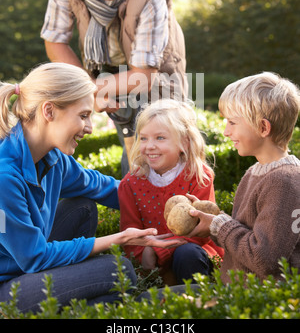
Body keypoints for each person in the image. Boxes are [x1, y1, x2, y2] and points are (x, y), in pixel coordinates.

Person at [0, 62, 185, 313]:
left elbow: (109, 189)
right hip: (7, 288)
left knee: (83, 207)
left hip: (27, 267)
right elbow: (34, 257)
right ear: (49, 111)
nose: (89, 127)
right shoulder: (4, 177)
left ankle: (92, 302)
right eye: (84, 115)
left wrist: (177, 204)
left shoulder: (55, 160)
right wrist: (117, 239)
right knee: (115, 269)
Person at [40, 0, 187, 176]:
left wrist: (91, 92)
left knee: (162, 149)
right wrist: (89, 90)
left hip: (155, 70)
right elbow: (55, 40)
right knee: (130, 144)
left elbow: (144, 75)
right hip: (103, 66)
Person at [188, 72, 300, 283]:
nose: (225, 132)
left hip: (256, 300)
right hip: (236, 290)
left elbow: (263, 259)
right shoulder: (256, 172)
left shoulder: (284, 182)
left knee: (149, 300)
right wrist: (212, 221)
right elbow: (245, 237)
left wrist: (220, 224)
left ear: (263, 128)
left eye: (232, 122)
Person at [118, 99, 224, 285]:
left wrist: (158, 251)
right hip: (151, 265)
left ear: (184, 142)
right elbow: (130, 233)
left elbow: (201, 231)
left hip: (193, 257)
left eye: (160, 138)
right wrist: (145, 255)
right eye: (143, 138)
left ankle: (199, 304)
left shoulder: (198, 176)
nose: (149, 145)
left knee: (187, 254)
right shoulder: (130, 184)